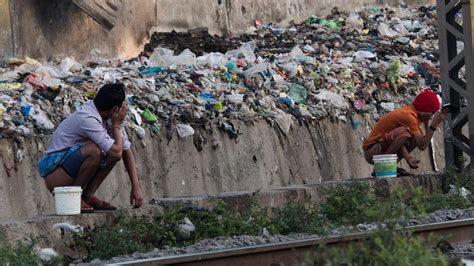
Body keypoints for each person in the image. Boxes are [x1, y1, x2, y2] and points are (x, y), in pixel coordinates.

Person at [38, 83, 143, 213]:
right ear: (116, 109)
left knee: (109, 150)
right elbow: (117, 153)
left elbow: (125, 149)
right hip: (55, 172)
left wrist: (136, 186)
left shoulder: (108, 118)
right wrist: (116, 125)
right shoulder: (88, 118)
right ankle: (75, 199)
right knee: (95, 151)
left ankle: (87, 196)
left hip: (66, 169)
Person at [363, 89, 449, 175]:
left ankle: (387, 166)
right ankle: (383, 167)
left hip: (378, 150)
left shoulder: (411, 115)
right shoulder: (408, 116)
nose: (431, 117)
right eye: (432, 112)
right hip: (372, 150)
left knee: (415, 136)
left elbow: (398, 142)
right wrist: (434, 124)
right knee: (407, 133)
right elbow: (422, 145)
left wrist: (408, 158)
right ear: (424, 109)